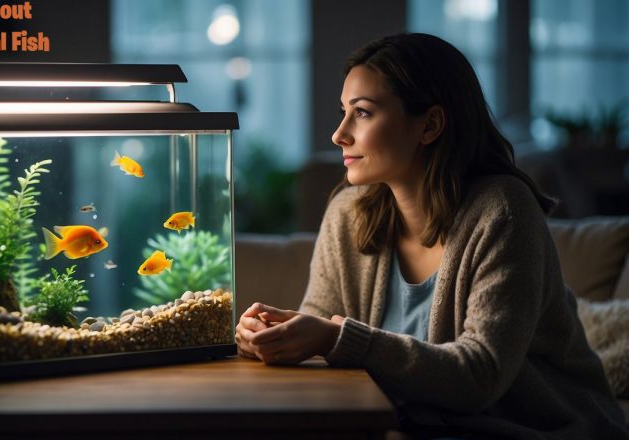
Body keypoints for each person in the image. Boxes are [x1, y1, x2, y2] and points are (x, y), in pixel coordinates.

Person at [235, 33, 629, 439]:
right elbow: (320, 327)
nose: (339, 134)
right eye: (343, 112)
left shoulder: (504, 211)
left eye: (363, 113)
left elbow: (480, 377)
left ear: (431, 125)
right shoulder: (348, 213)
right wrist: (275, 337)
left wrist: (337, 338)